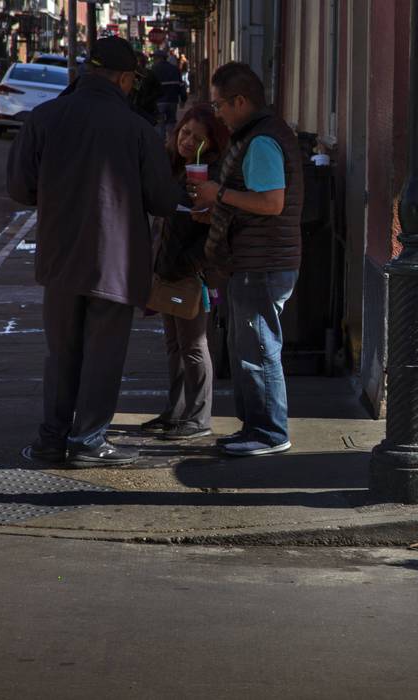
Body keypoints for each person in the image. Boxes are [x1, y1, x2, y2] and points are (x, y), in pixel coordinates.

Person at [6, 36, 183, 467]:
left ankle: (52, 438)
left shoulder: (44, 118)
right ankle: (87, 440)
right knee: (103, 356)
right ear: (124, 78)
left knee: (62, 352)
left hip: (60, 258)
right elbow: (163, 199)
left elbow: (19, 188)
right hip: (115, 264)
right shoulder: (137, 128)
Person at [189, 61, 303, 457]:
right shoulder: (258, 135)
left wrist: (218, 195)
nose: (217, 113)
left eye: (220, 104)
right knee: (250, 346)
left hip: (262, 261)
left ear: (240, 101)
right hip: (256, 258)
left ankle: (270, 432)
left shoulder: (262, 141)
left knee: (258, 347)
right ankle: (255, 427)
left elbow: (272, 203)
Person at [139, 104, 230, 441]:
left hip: (194, 274)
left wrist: (194, 265)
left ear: (212, 145)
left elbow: (214, 231)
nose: (188, 141)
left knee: (194, 344)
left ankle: (199, 417)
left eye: (198, 137)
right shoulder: (172, 166)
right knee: (174, 344)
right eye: (185, 132)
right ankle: (176, 411)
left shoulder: (208, 176)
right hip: (167, 269)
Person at [149, 50, 183, 138]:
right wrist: (183, 99)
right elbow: (181, 85)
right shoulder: (174, 69)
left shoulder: (153, 70)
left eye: (154, 58)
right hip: (172, 100)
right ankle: (172, 143)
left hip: (159, 102)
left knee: (160, 124)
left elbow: (149, 87)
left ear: (158, 58)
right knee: (171, 123)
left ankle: (162, 146)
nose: (154, 60)